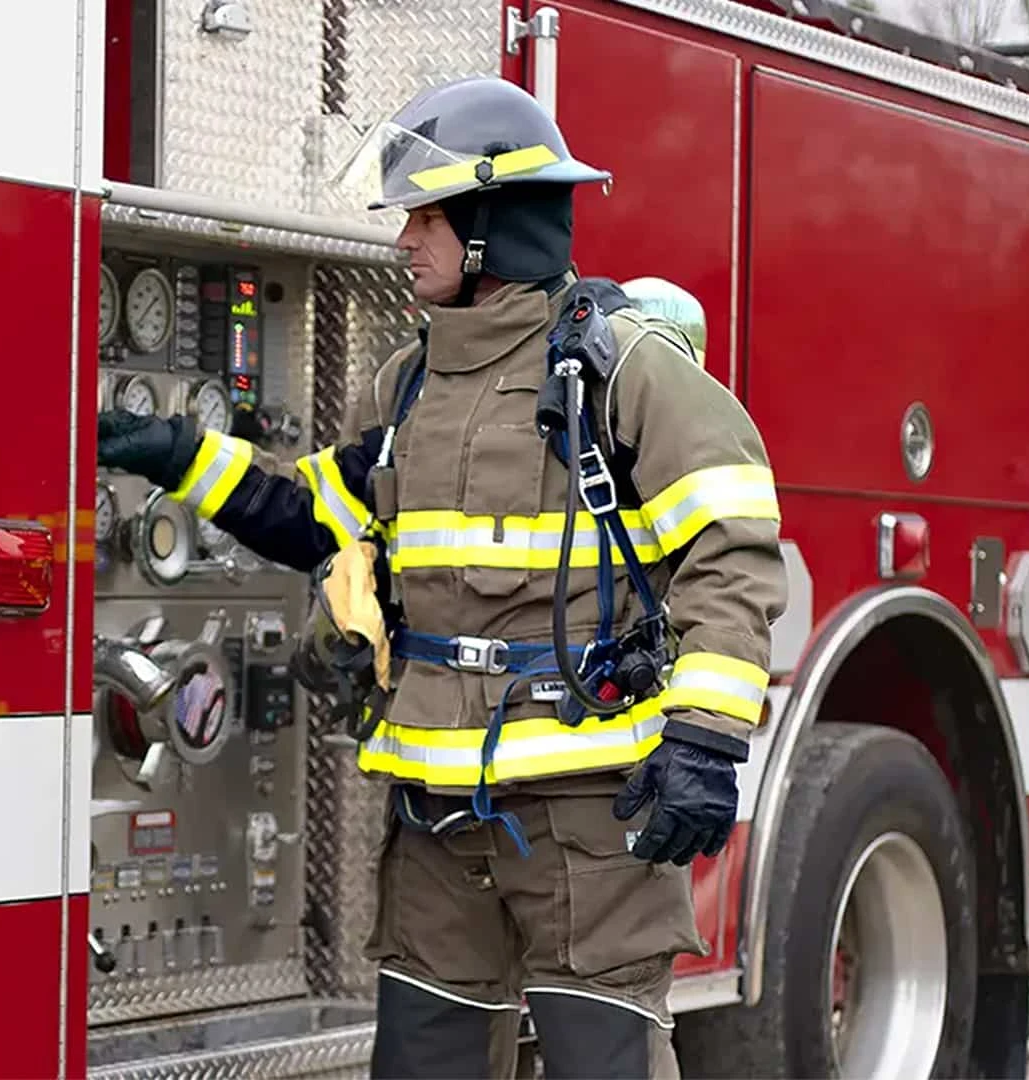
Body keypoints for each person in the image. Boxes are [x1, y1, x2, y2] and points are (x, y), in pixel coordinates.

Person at [96, 75, 786, 1080]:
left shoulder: (624, 371)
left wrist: (707, 742)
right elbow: (312, 512)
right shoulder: (409, 383)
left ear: (490, 227)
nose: (402, 239)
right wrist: (170, 451)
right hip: (435, 822)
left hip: (586, 826)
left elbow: (732, 549)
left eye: (424, 214)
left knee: (606, 1066)